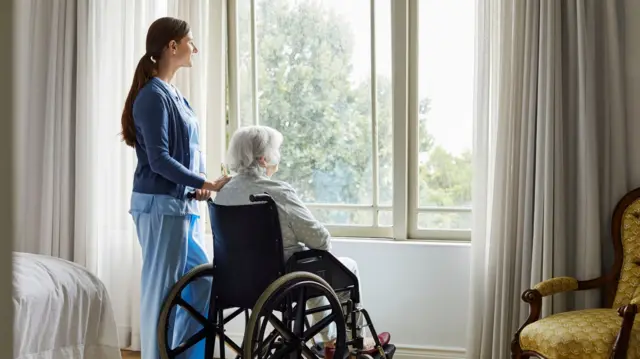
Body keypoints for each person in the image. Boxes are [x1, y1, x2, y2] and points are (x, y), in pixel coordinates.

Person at [214, 125, 391, 358]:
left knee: (310, 265)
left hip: (235, 281)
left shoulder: (224, 193)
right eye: (276, 151)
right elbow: (320, 240)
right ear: (264, 158)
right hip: (282, 282)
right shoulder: (277, 191)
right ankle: (341, 341)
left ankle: (331, 340)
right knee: (341, 267)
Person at [120, 17, 230, 359]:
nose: (194, 48)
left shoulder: (174, 95)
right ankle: (157, 354)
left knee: (202, 282)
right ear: (172, 46)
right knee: (162, 291)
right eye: (190, 41)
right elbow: (160, 160)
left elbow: (186, 153)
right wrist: (205, 182)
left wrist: (196, 187)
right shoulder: (152, 97)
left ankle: (181, 354)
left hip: (179, 205)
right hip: (159, 207)